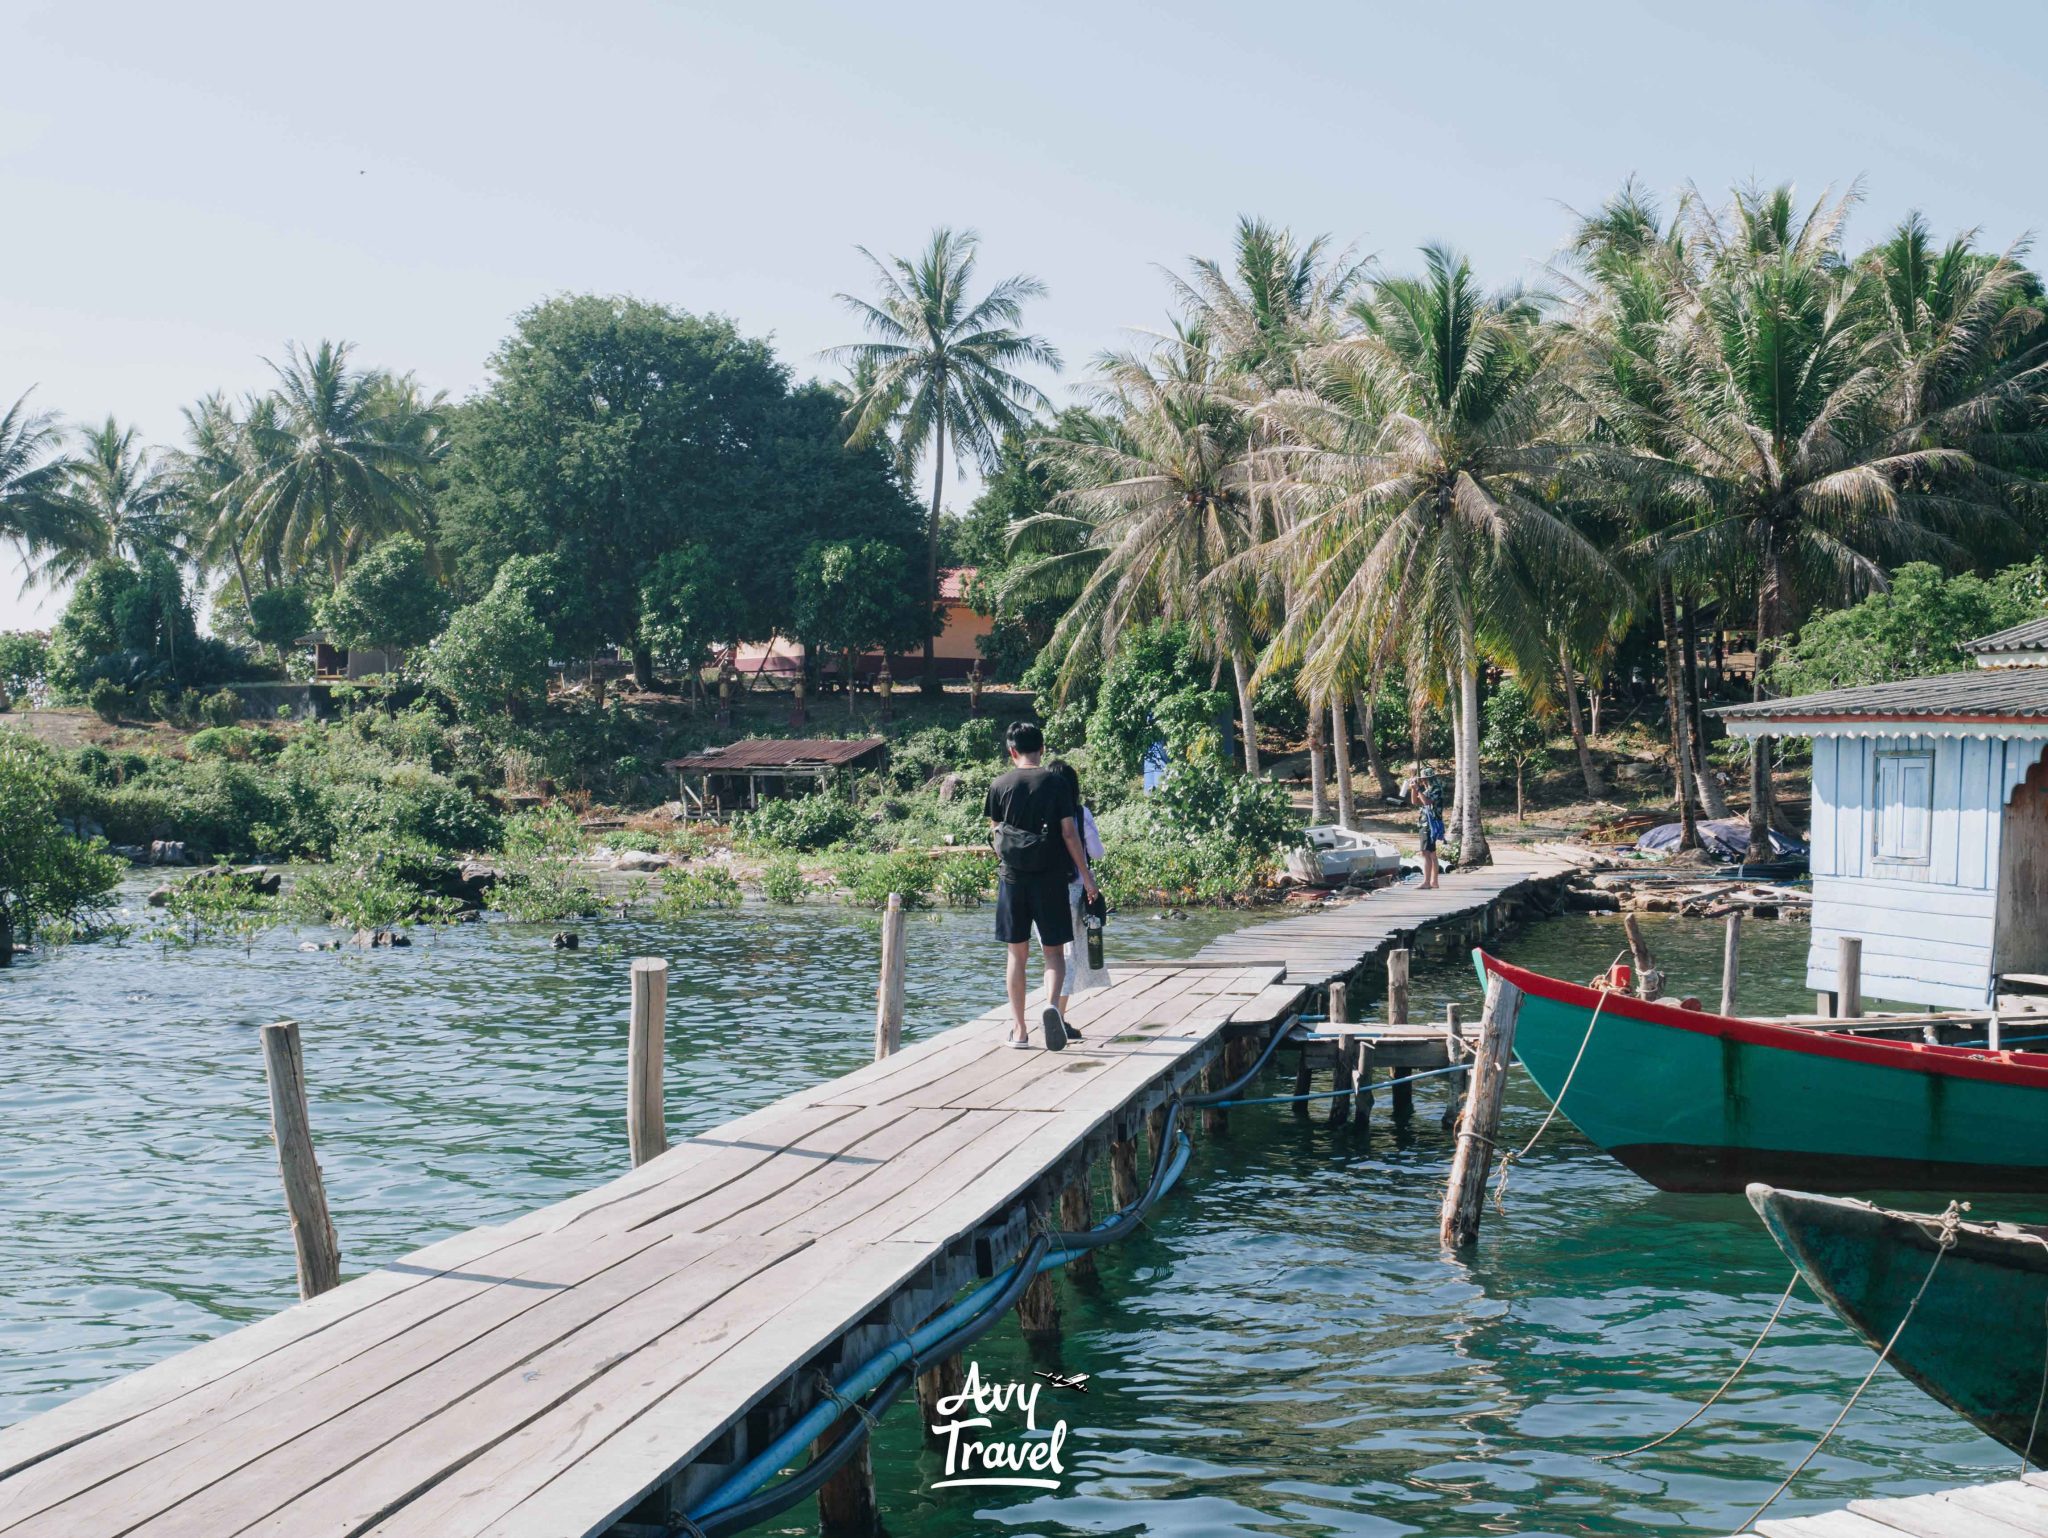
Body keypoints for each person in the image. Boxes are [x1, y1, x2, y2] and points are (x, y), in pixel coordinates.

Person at [985, 722, 1099, 1050]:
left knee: (1016, 955)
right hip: (1050, 879)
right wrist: (1087, 878)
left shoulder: (999, 784)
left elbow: (996, 833)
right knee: (1054, 955)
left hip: (1012, 879)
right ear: (1042, 749)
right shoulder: (1055, 783)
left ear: (1011, 752)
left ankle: (1019, 1031)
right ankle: (1051, 1007)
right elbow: (1069, 834)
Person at [1046, 759, 1111, 1017]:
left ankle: (1052, 1010)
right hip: (1073, 889)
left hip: (1043, 889)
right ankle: (1057, 1016)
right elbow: (1097, 852)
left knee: (1051, 956)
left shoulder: (1040, 812)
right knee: (1067, 956)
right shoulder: (1080, 814)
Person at [1405, 761, 1445, 889]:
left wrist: (1418, 789)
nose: (1421, 781)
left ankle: (1427, 882)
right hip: (1424, 823)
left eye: (1422, 779)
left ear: (1426, 779)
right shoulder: (1427, 789)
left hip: (1430, 824)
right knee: (1431, 854)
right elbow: (1414, 801)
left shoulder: (1436, 789)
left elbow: (1427, 802)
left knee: (1426, 853)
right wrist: (1413, 789)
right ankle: (1434, 881)